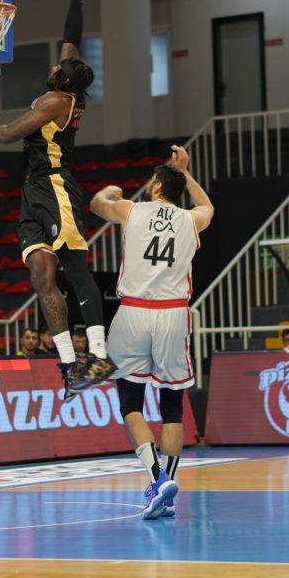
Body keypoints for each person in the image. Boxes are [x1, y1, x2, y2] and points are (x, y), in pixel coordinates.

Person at [0, 0, 113, 394]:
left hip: (55, 187)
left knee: (75, 270)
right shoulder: (68, 87)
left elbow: (5, 134)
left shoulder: (55, 102)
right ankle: (68, 367)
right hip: (32, 193)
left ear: (62, 78)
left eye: (60, 63)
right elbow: (72, 38)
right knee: (42, 277)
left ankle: (98, 355)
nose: (56, 61)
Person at [91, 146, 213, 519]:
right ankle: (167, 490)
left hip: (133, 313)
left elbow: (97, 204)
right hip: (173, 314)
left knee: (130, 403)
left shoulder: (132, 209)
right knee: (172, 405)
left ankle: (157, 479)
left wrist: (111, 191)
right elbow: (208, 207)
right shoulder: (191, 219)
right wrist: (187, 172)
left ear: (157, 185)